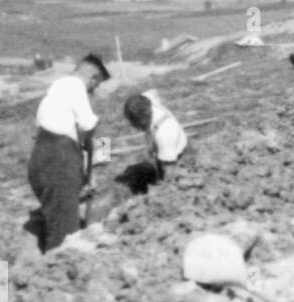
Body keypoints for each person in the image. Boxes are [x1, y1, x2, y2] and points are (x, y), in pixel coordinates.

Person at [27, 53, 108, 252]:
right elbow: (94, 130)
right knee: (65, 240)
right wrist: (97, 169)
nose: (94, 91)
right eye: (95, 86)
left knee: (57, 221)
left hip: (39, 157)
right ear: (93, 78)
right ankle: (54, 274)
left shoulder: (58, 87)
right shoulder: (76, 87)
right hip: (58, 161)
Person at [123, 90, 188, 181]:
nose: (134, 127)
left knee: (165, 173)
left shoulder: (164, 135)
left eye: (135, 124)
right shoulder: (146, 101)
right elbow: (152, 93)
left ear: (143, 119)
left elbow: (169, 170)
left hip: (175, 151)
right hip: (164, 140)